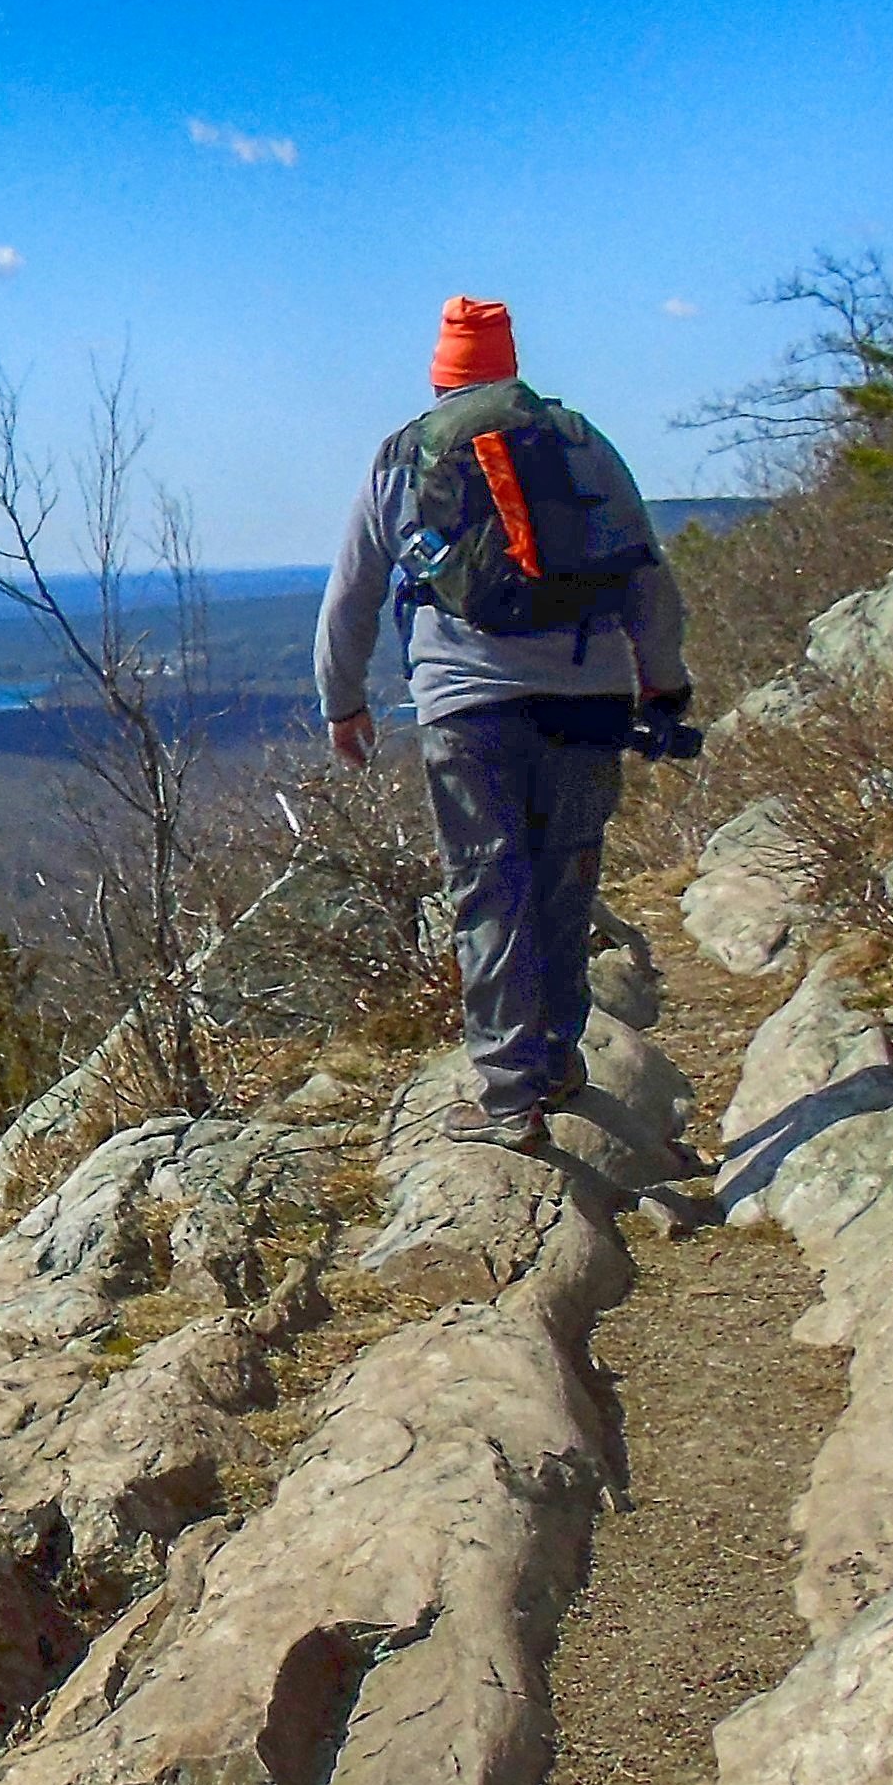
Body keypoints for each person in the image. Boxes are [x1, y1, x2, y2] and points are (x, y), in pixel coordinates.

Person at [312, 295, 692, 1150]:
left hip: (467, 706)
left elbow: (352, 596)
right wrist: (663, 683)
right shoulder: (580, 443)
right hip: (588, 698)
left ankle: (511, 1099)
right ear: (510, 364)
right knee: (565, 881)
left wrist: (343, 702)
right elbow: (647, 577)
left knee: (489, 889)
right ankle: (555, 1060)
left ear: (441, 374)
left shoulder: (401, 459)